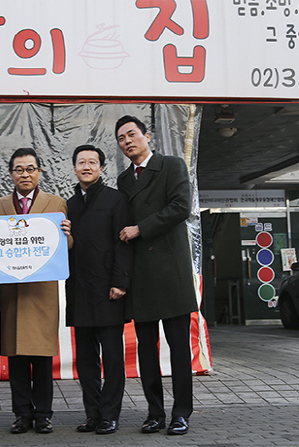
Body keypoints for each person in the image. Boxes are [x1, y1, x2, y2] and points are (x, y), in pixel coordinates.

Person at [115, 115, 198, 436]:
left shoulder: (172, 165)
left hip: (170, 271)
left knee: (179, 349)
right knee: (147, 351)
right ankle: (155, 413)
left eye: (132, 134)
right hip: (141, 277)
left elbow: (181, 207)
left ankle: (181, 413)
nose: (128, 141)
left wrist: (140, 228)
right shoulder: (124, 180)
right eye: (122, 138)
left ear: (147, 136)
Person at [0, 147, 72, 435]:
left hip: (42, 293)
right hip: (12, 293)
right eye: (19, 169)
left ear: (39, 172)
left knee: (42, 358)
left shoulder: (56, 203)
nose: (25, 174)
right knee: (17, 359)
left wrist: (67, 235)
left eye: (30, 168)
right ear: (11, 174)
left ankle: (43, 416)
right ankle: (21, 415)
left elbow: (65, 247)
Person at [65, 145, 132, 435]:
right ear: (75, 168)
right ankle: (92, 414)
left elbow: (123, 244)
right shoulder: (68, 205)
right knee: (85, 360)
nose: (87, 166)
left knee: (114, 358)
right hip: (79, 291)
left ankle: (109, 415)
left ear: (102, 168)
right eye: (82, 162)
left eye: (93, 162)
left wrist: (120, 282)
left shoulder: (116, 200)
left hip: (108, 291)